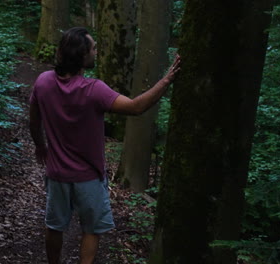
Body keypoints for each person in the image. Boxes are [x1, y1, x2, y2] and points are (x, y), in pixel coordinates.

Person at [29, 27, 181, 264]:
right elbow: (135, 107)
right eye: (94, 48)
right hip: (88, 176)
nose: (97, 52)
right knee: (91, 229)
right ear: (81, 56)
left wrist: (40, 146)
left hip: (57, 173)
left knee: (55, 225)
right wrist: (167, 80)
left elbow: (34, 119)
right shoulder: (94, 89)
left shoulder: (43, 82)